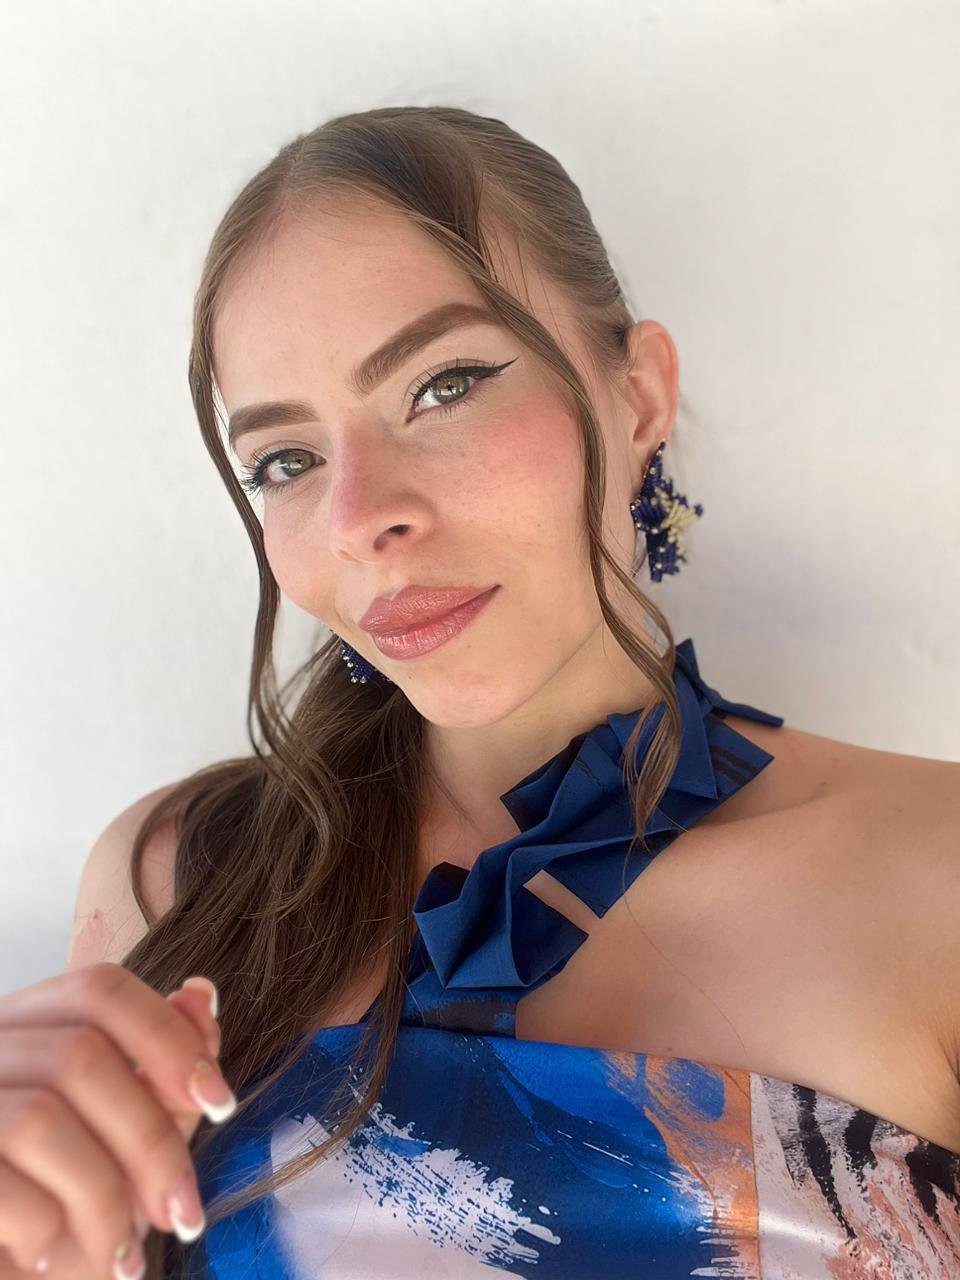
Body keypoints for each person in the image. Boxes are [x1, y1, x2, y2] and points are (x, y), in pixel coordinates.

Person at [54, 105, 960, 1277]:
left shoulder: (937, 869)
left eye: (443, 385)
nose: (360, 516)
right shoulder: (176, 878)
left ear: (639, 396)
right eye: (287, 459)